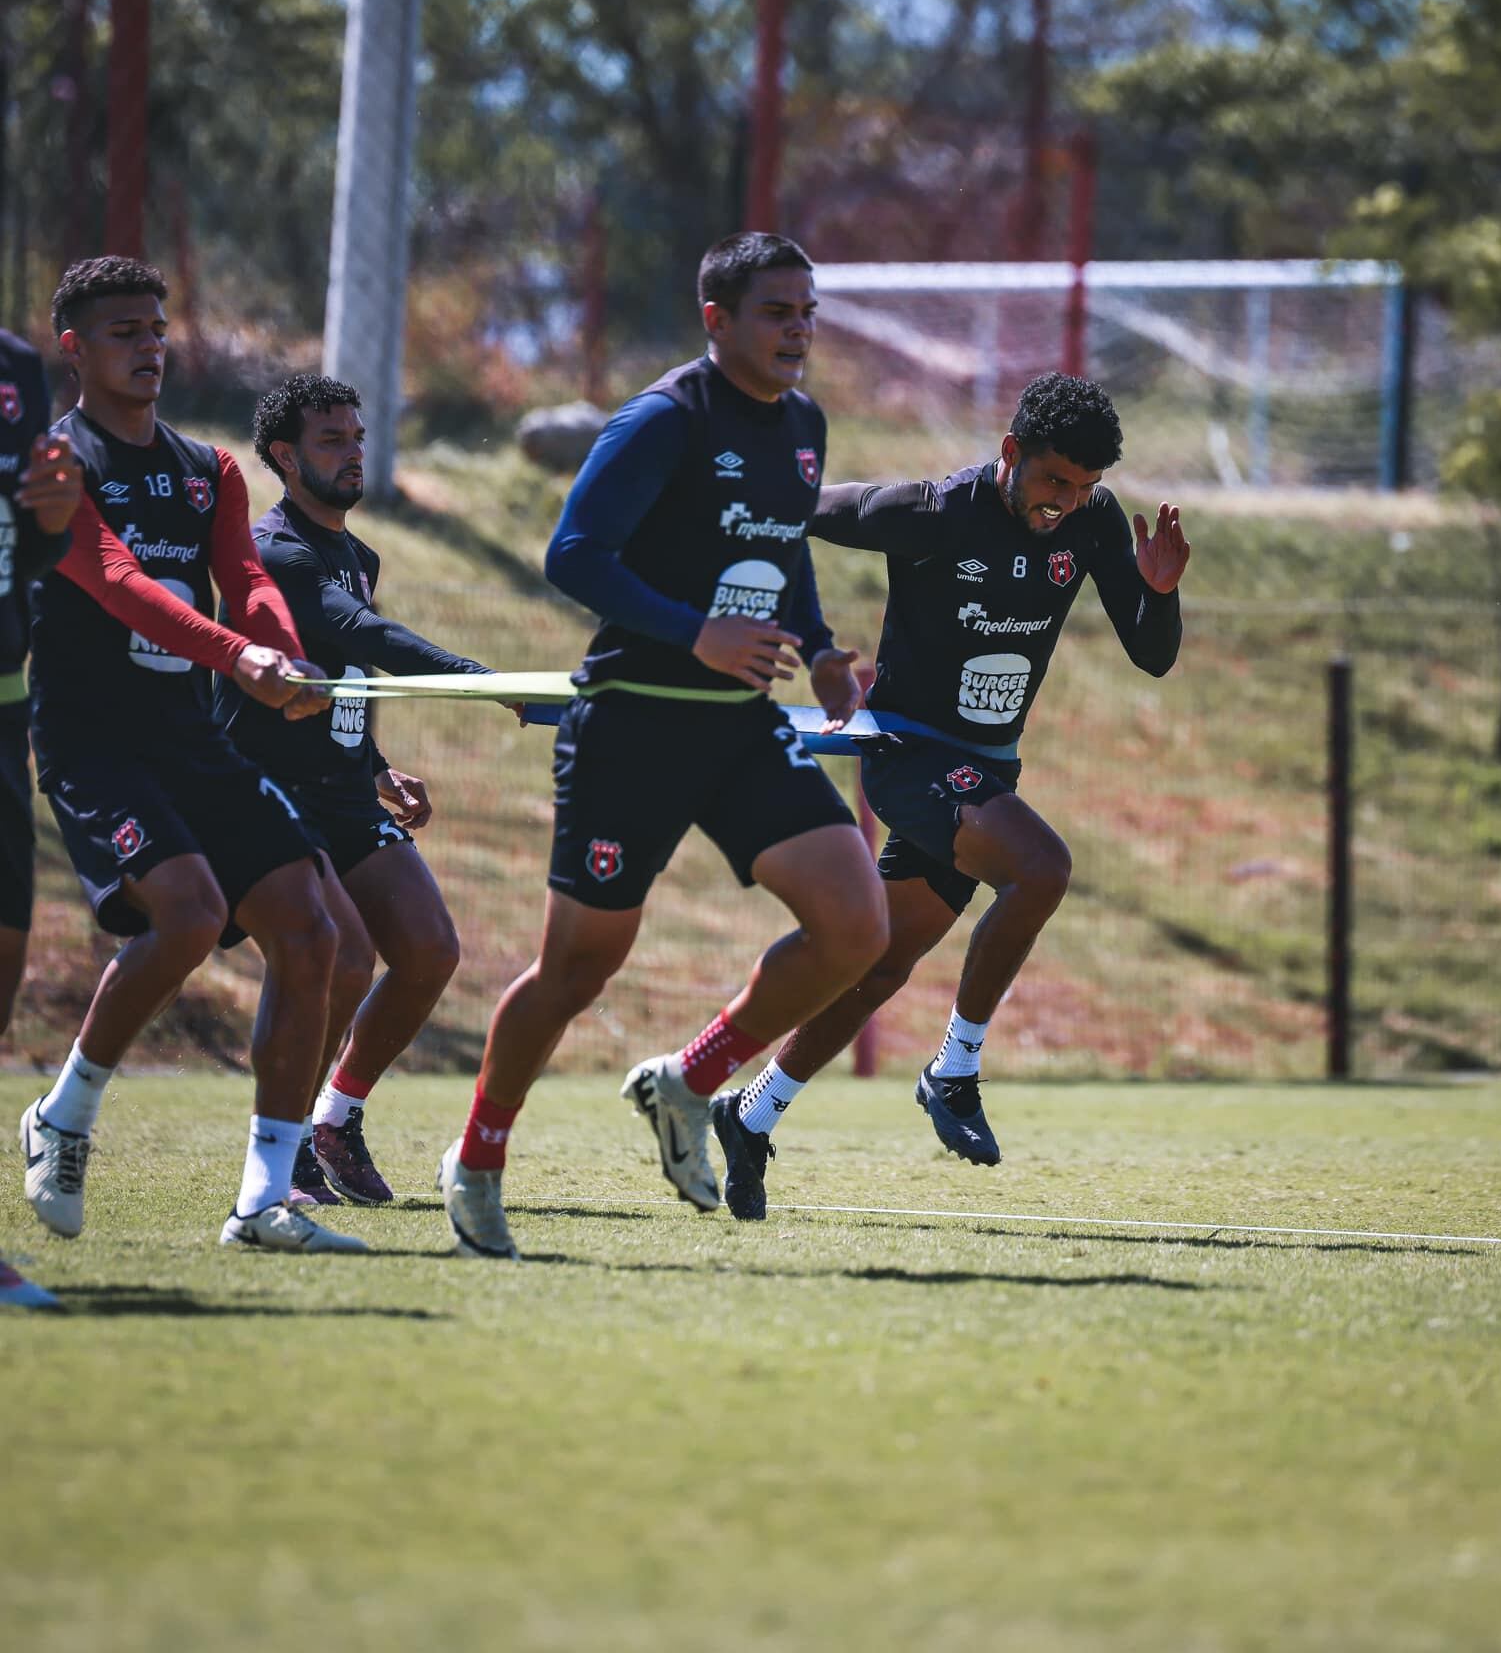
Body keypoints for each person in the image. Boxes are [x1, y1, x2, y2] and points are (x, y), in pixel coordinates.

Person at [438, 232, 888, 1258]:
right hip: (632, 722)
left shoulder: (805, 423)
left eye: (808, 311)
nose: (799, 330)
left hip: (739, 724)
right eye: (779, 312)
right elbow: (572, 554)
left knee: (856, 924)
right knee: (578, 967)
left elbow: (783, 552)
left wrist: (818, 652)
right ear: (716, 319)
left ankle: (689, 1082)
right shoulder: (659, 419)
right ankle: (478, 1156)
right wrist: (695, 631)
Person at [710, 372, 1191, 1219]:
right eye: (1051, 482)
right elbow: (806, 512)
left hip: (985, 771)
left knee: (880, 964)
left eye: (1084, 489)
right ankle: (955, 1070)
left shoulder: (1096, 522)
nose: (1064, 505)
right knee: (1040, 869)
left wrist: (1159, 593)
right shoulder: (933, 512)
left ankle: (751, 1114)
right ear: (1011, 453)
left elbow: (1151, 657)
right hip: (906, 757)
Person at [19, 256, 367, 1256]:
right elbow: (121, 581)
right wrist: (238, 652)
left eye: (158, 326)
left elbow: (246, 577)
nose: (151, 344)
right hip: (94, 743)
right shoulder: (56, 467)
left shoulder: (209, 467)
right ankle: (64, 1113)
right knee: (190, 909)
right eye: (125, 330)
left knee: (314, 934)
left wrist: (282, 648)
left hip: (189, 740)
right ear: (75, 348)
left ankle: (265, 1198)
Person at [218, 373, 494, 1206]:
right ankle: (285, 1144)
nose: (351, 454)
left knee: (430, 950)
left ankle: (335, 1121)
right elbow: (359, 636)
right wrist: (484, 680)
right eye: (330, 441)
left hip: (340, 791)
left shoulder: (353, 553)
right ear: (285, 458)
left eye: (356, 437)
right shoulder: (277, 551)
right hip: (267, 791)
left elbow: (341, 676)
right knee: (340, 954)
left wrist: (375, 767)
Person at [1, 323, 82, 1310]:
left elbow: (41, 533)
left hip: (2, 706)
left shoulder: (16, 367)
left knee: (6, 953)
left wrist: (57, 513)